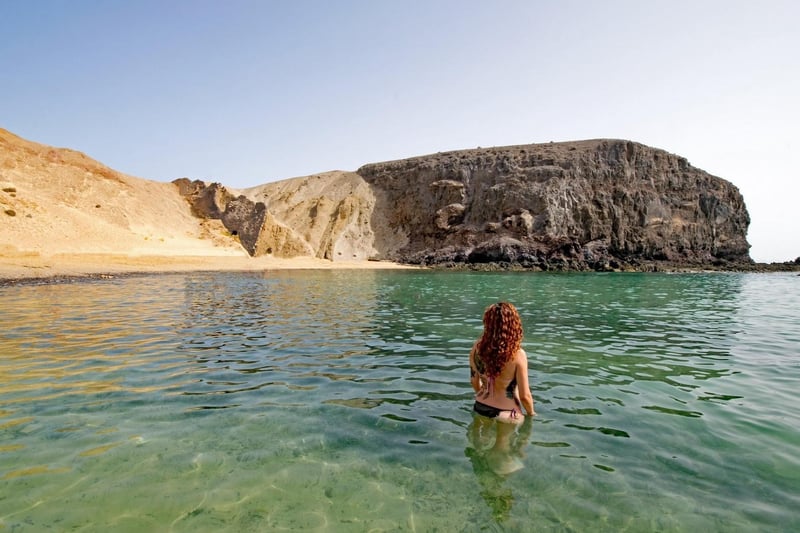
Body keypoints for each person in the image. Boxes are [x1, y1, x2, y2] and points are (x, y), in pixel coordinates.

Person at [469, 302, 535, 422]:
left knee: (477, 441)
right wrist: (531, 414)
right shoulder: (518, 354)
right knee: (504, 441)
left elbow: (474, 381)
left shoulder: (476, 348)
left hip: (480, 406)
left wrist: (485, 397)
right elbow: (525, 396)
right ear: (513, 325)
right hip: (508, 413)